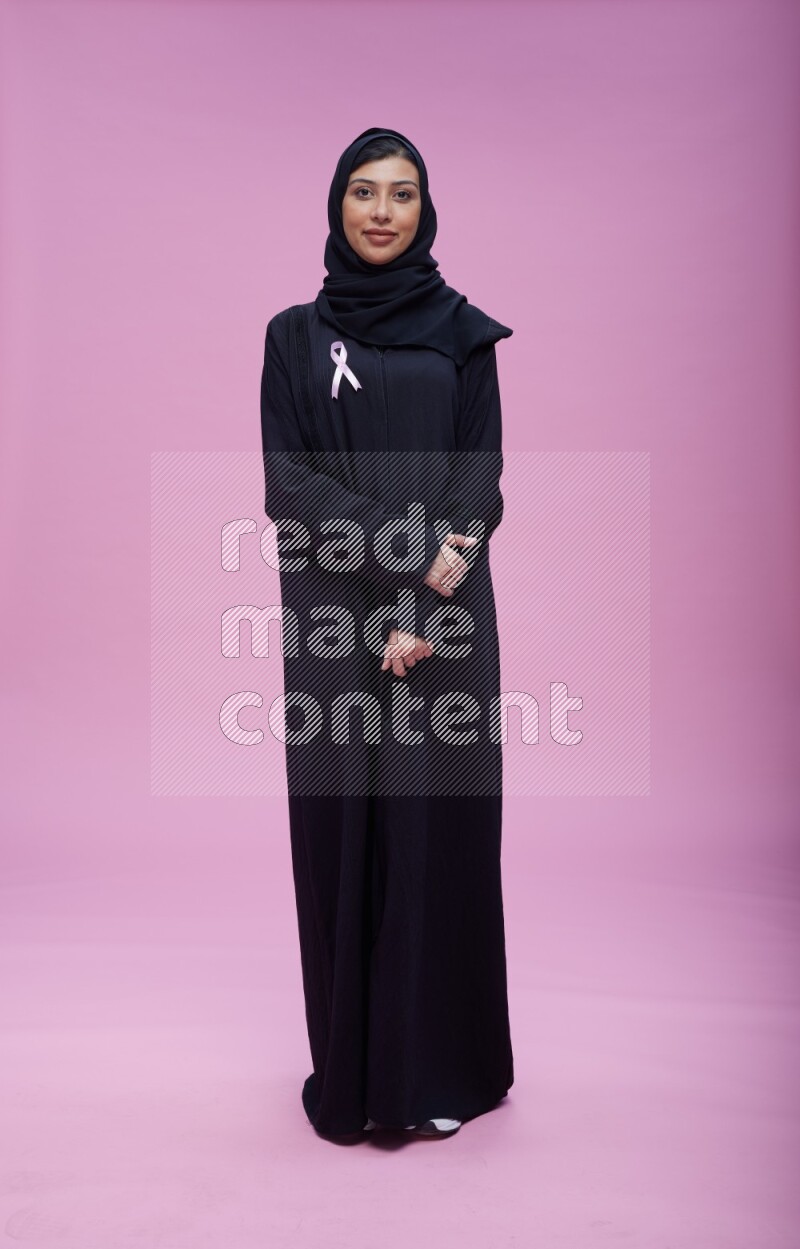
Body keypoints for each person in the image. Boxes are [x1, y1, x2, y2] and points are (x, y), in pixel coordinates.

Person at [259, 127, 514, 1140]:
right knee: (342, 836)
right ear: (336, 205)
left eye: (401, 193)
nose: (380, 210)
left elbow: (479, 480)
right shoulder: (291, 337)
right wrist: (405, 566)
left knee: (436, 837)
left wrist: (426, 602)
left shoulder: (464, 334)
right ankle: (357, 1076)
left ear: (424, 209)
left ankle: (442, 1072)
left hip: (443, 624)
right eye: (363, 191)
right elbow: (289, 485)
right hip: (333, 621)